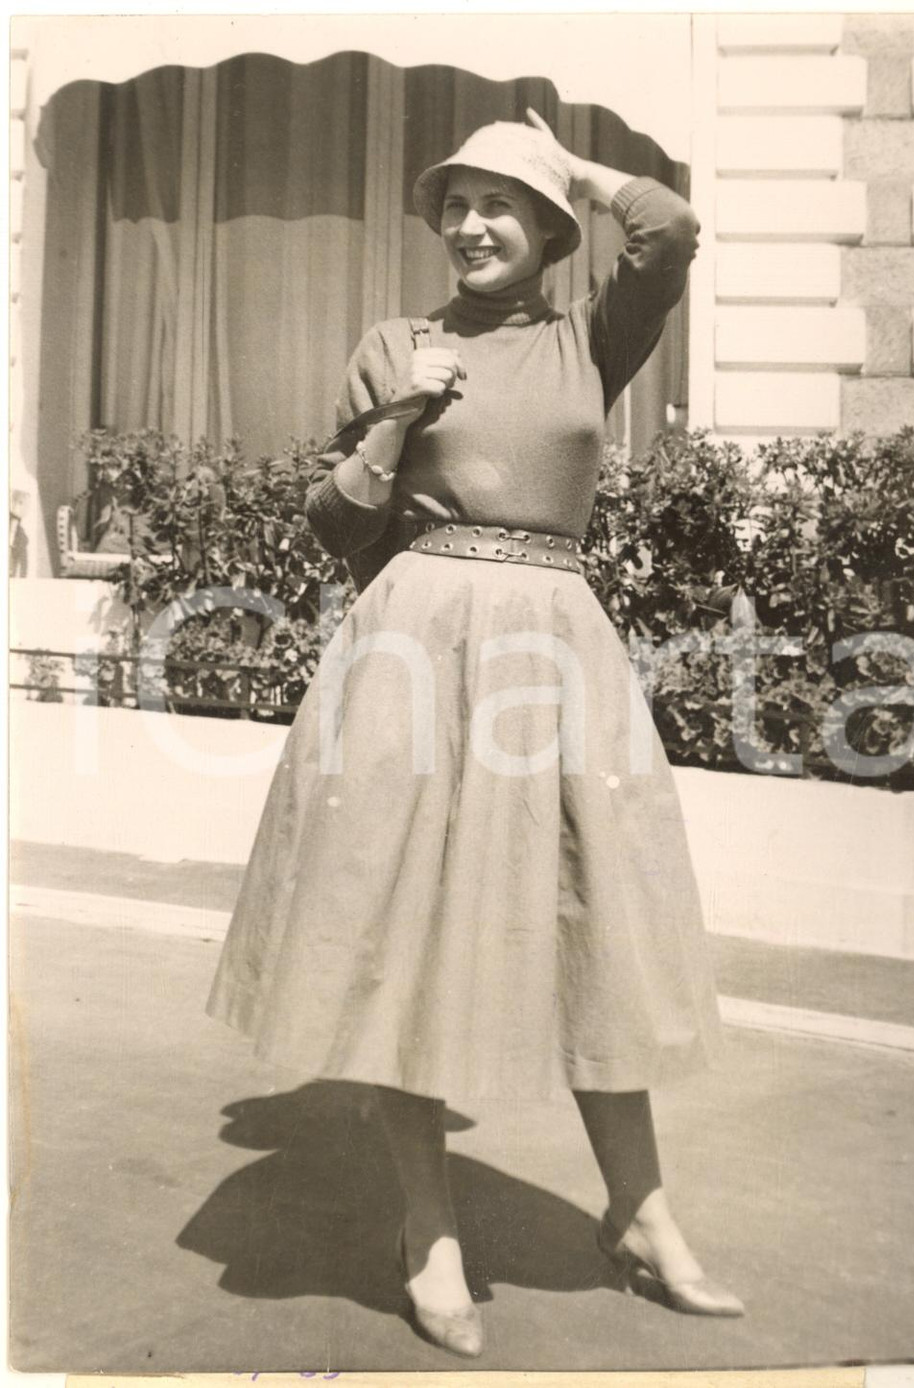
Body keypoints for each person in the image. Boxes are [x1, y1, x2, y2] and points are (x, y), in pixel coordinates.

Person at [206, 110, 744, 1359]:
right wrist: (397, 416)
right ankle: (428, 1233)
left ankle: (643, 1210)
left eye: (501, 202)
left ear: (552, 230)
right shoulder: (396, 341)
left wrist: (574, 161)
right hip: (411, 646)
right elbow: (334, 532)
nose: (470, 223)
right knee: (403, 927)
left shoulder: (584, 342)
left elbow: (668, 228)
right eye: (454, 203)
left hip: (553, 652)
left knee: (589, 917)